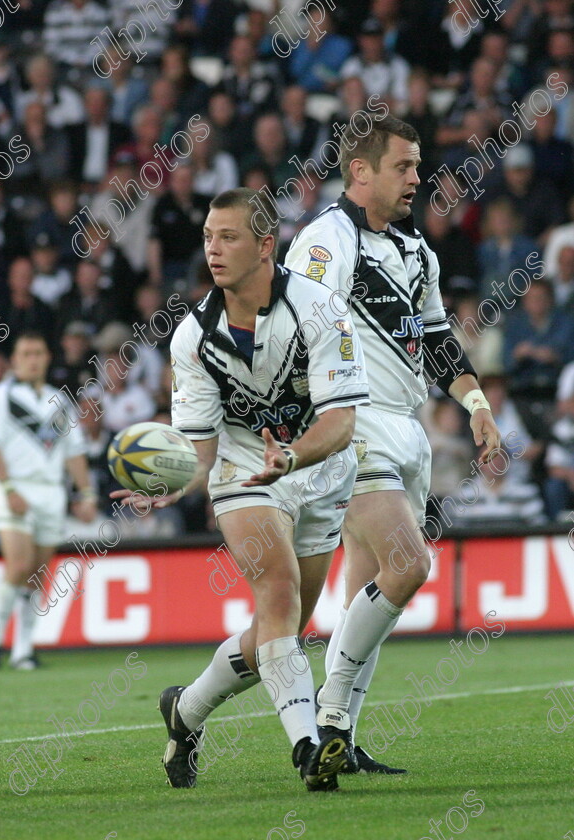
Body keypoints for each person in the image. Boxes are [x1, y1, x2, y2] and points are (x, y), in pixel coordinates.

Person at [111, 187, 370, 791]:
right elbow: (200, 450)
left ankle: (187, 710)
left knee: (281, 630)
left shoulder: (323, 309)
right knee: (276, 592)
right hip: (244, 472)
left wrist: (296, 457)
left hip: (321, 470)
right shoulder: (191, 338)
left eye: (228, 237)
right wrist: (173, 486)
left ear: (265, 244)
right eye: (208, 236)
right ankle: (309, 749)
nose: (214, 249)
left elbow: (342, 422)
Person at [284, 114, 501, 773]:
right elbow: (295, 331)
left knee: (363, 595)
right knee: (407, 567)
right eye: (403, 166)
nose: (416, 178)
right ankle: (325, 713)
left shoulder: (415, 250)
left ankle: (331, 732)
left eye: (415, 165)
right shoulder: (326, 240)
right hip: (355, 424)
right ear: (360, 171)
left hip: (406, 429)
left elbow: (436, 340)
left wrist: (475, 403)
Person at [0, 331, 97, 670]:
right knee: (18, 564)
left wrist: (86, 493)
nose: (33, 359)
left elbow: (74, 453)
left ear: (47, 358)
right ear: (14, 360)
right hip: (14, 487)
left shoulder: (59, 401)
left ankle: (23, 650)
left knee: (38, 572)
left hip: (51, 492)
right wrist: (9, 487)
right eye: (26, 353)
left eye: (38, 352)